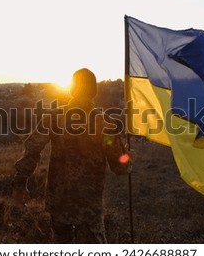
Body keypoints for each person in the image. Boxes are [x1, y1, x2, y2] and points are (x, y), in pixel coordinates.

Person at [12, 68, 129, 243]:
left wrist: (20, 183)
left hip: (59, 204)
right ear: (94, 91)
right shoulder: (104, 124)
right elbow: (119, 167)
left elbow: (32, 149)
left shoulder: (53, 117)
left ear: (72, 89)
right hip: (89, 208)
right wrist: (127, 154)